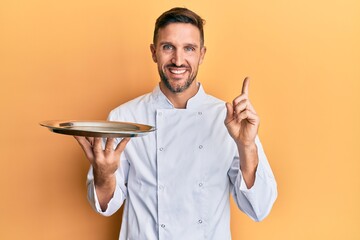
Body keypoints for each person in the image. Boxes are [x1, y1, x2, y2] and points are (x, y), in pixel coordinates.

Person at [75, 7, 277, 240]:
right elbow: (106, 206)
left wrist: (247, 146)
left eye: (189, 48)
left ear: (202, 54)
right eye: (168, 47)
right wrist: (104, 175)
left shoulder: (230, 119)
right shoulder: (125, 116)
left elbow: (259, 208)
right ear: (154, 52)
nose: (178, 60)